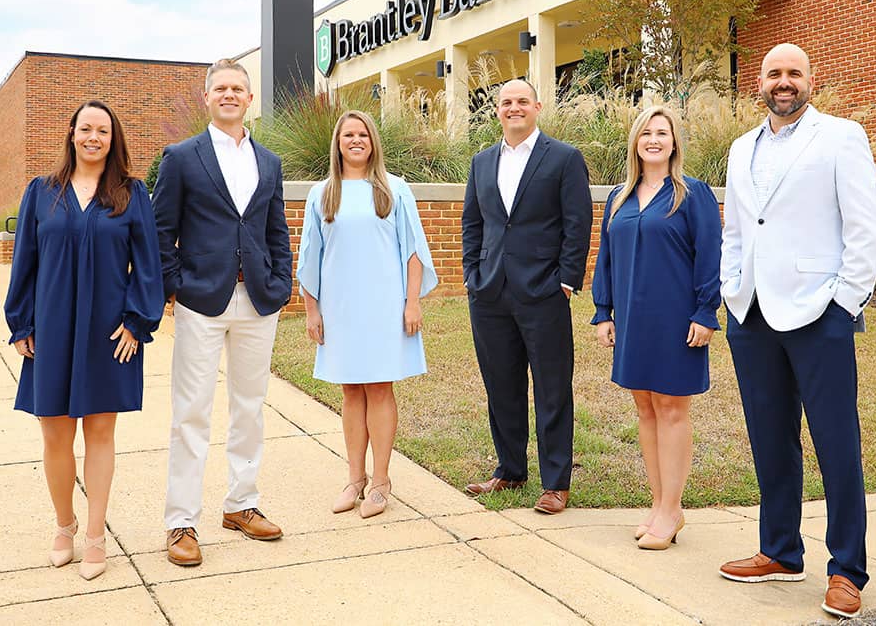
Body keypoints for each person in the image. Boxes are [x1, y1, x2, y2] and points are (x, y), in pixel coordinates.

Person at [718, 43, 876, 620]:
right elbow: (737, 229)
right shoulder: (741, 149)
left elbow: (865, 227)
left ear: (811, 81)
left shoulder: (841, 137)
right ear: (758, 84)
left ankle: (847, 570)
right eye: (773, 74)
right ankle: (781, 550)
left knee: (837, 443)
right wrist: (731, 288)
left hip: (821, 314)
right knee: (770, 437)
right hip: (753, 314)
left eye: (793, 73)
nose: (783, 82)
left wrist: (843, 304)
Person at [5, 100, 164, 580]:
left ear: (113, 139)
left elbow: (149, 267)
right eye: (86, 129)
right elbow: (25, 262)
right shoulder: (41, 192)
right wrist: (21, 324)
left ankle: (95, 536)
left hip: (107, 332)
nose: (94, 137)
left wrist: (137, 323)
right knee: (54, 432)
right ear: (71, 133)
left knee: (99, 433)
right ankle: (64, 525)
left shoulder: (132, 194)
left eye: (103, 131)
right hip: (51, 329)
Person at [152, 59, 293, 567]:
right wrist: (174, 288)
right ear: (207, 97)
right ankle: (181, 521)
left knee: (249, 406)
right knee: (191, 412)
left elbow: (275, 229)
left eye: (238, 88)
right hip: (201, 301)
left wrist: (281, 284)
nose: (230, 94)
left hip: (257, 299)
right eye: (221, 88)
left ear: (249, 98)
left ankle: (242, 504)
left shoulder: (269, 162)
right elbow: (160, 229)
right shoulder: (182, 157)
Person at [591, 105, 721, 550]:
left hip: (677, 319)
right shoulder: (619, 198)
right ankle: (659, 503)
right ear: (636, 142)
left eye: (661, 132)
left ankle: (672, 508)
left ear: (673, 142)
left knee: (671, 408)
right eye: (646, 132)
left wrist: (706, 312)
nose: (653, 139)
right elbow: (605, 258)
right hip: (632, 318)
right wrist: (603, 311)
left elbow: (710, 255)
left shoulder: (692, 194)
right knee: (644, 408)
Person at [297, 110, 437, 518]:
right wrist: (312, 311)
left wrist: (412, 302)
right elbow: (310, 258)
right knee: (350, 390)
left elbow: (413, 250)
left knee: (378, 388)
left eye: (362, 134)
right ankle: (353, 479)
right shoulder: (322, 193)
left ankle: (380, 482)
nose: (356, 140)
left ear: (372, 142)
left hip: (383, 306)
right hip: (340, 308)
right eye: (348, 135)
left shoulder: (394, 190)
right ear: (337, 143)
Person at [462, 79, 592, 514]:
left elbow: (578, 223)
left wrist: (567, 279)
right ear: (496, 110)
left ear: (537, 106)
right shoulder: (481, 162)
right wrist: (471, 275)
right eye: (506, 103)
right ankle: (510, 470)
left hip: (544, 291)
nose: (513, 108)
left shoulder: (563, 158)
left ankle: (556, 482)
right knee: (501, 385)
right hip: (490, 293)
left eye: (521, 101)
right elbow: (472, 224)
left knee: (553, 388)